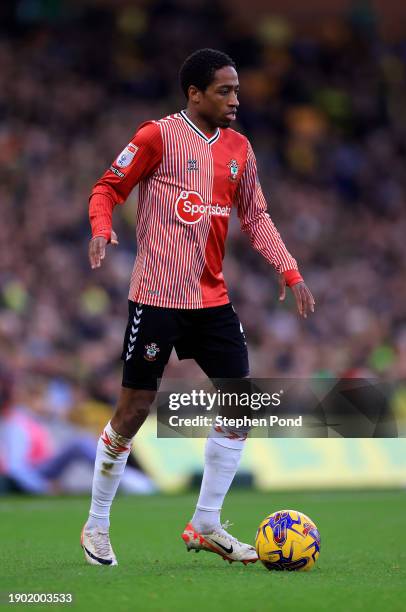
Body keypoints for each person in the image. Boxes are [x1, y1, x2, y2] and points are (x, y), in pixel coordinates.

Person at [81, 48, 315, 567]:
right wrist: (101, 230)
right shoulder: (156, 136)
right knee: (134, 411)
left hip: (211, 300)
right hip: (156, 296)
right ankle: (96, 524)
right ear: (195, 93)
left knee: (240, 405)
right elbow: (107, 188)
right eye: (225, 90)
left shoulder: (239, 149)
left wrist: (290, 269)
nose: (236, 99)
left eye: (237, 90)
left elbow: (256, 217)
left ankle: (206, 523)